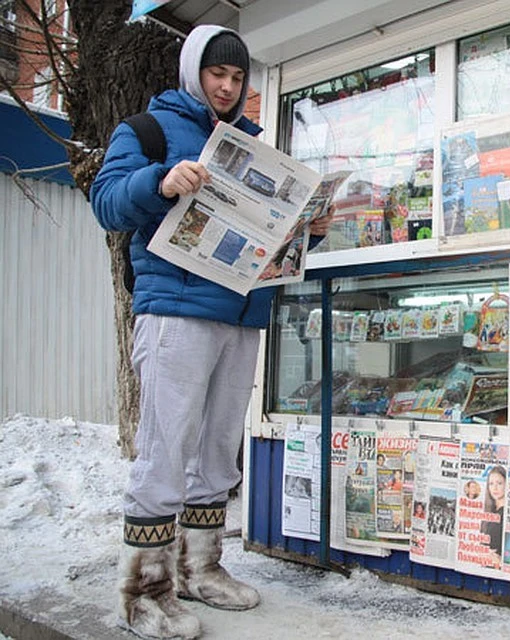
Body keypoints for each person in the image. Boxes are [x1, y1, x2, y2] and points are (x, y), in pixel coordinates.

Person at [90, 25, 332, 640]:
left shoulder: (251, 145)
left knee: (219, 452)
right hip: (174, 309)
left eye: (235, 77)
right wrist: (161, 181)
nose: (226, 86)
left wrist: (309, 228)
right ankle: (142, 592)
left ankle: (203, 568)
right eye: (215, 74)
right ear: (192, 71)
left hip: (241, 312)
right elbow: (107, 201)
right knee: (166, 447)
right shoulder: (147, 129)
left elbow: (267, 233)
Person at [480, 465, 506, 560]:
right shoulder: (489, 512)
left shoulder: (506, 513)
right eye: (491, 483)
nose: (495, 488)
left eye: (499, 483)